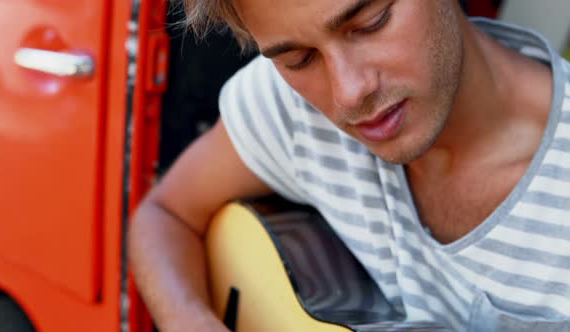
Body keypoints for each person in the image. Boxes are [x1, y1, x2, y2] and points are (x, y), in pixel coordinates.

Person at [128, 0, 570, 331]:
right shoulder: (290, 109)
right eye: (299, 59)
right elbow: (164, 214)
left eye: (371, 23)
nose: (349, 94)